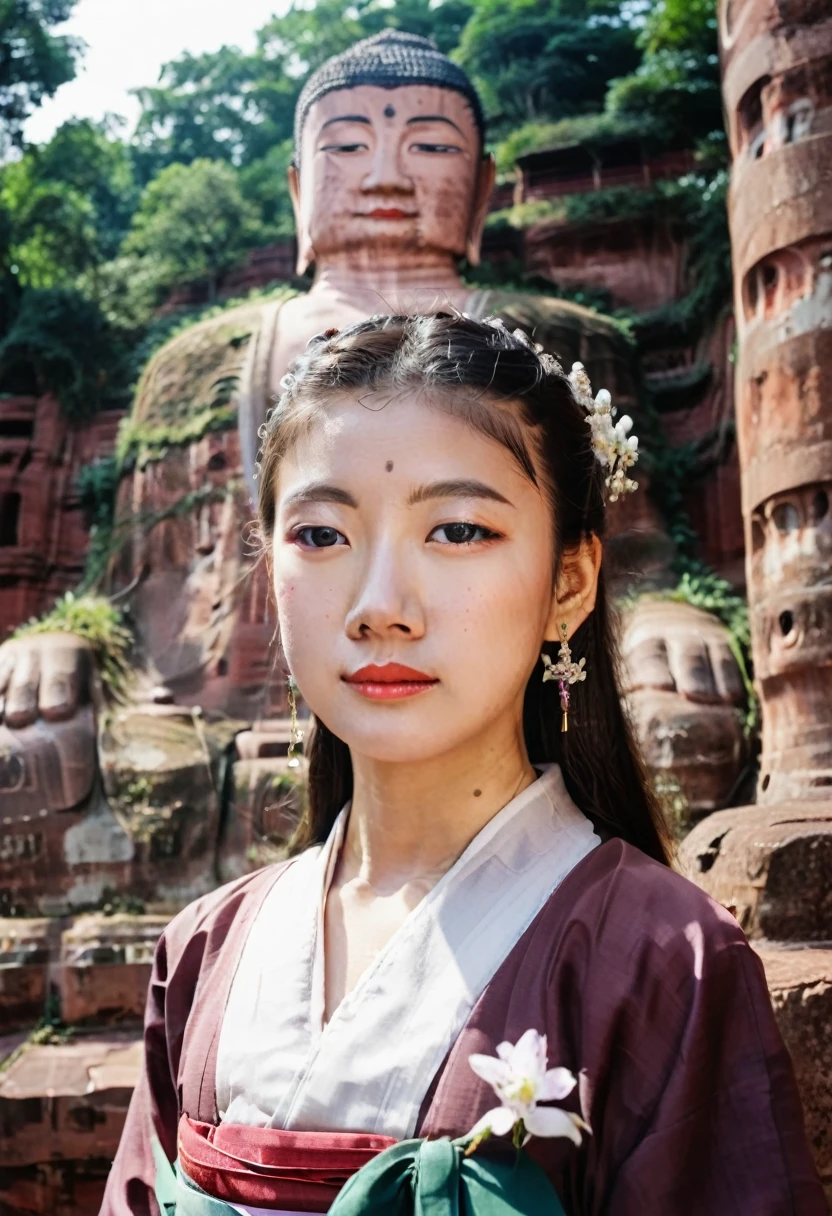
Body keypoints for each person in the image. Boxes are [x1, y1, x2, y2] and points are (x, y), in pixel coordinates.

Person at [100, 314, 824, 1216]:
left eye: (458, 531)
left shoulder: (662, 963)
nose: (380, 608)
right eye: (322, 536)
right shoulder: (204, 950)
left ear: (570, 584)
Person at [0, 34, 746, 869]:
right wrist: (61, 640)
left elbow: (622, 559)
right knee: (34, 756)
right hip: (200, 733)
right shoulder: (197, 364)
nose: (386, 176)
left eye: (428, 146)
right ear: (295, 190)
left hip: (514, 721)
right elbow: (132, 591)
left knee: (686, 720)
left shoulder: (566, 346)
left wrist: (665, 613)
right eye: (346, 147)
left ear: (484, 191)